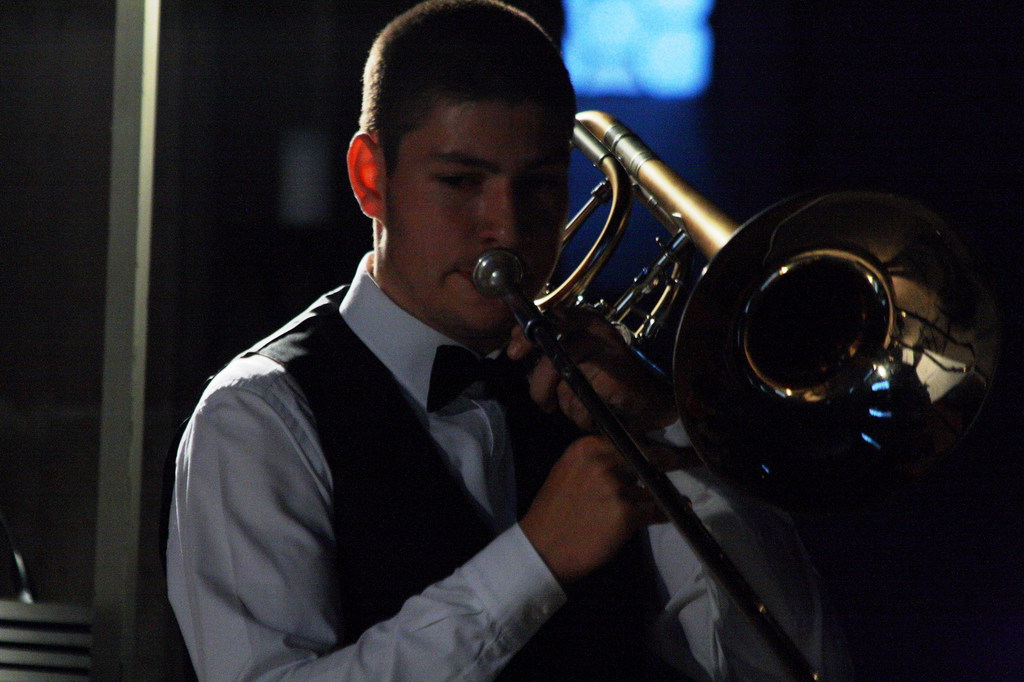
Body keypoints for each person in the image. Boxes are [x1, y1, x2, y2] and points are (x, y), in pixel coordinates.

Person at [165, 1, 853, 679]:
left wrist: (676, 433)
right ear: (370, 179)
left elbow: (796, 666)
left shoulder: (605, 397)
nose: (508, 227)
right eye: (461, 181)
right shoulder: (256, 414)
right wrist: (535, 559)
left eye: (541, 185)